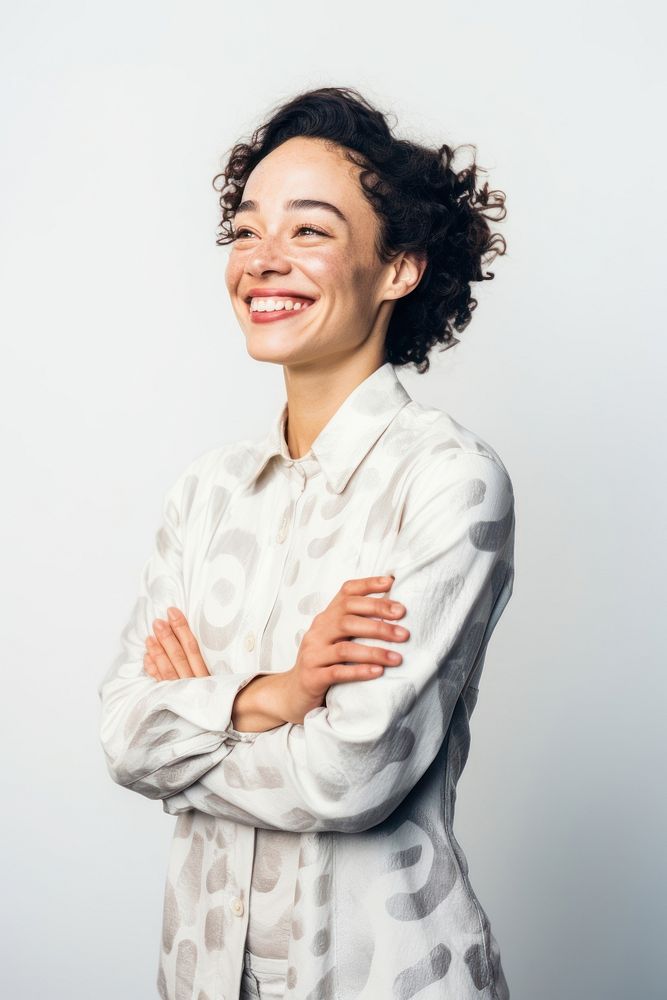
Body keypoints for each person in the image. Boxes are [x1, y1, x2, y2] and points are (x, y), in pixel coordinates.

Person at [98, 85, 515, 1000]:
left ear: (398, 266)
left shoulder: (446, 482)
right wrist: (283, 693)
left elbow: (349, 776)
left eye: (310, 231)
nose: (263, 261)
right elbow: (122, 735)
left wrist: (198, 716)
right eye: (246, 231)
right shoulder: (206, 491)